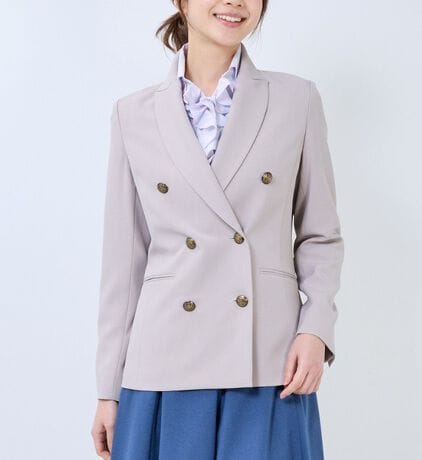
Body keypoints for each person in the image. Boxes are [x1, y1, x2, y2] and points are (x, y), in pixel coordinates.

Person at [91, 0, 344, 458]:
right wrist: (109, 389)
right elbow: (124, 265)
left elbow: (319, 235)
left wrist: (316, 329)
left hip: (266, 360)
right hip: (164, 363)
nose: (233, 2)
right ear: (180, 3)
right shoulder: (133, 114)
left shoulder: (297, 100)